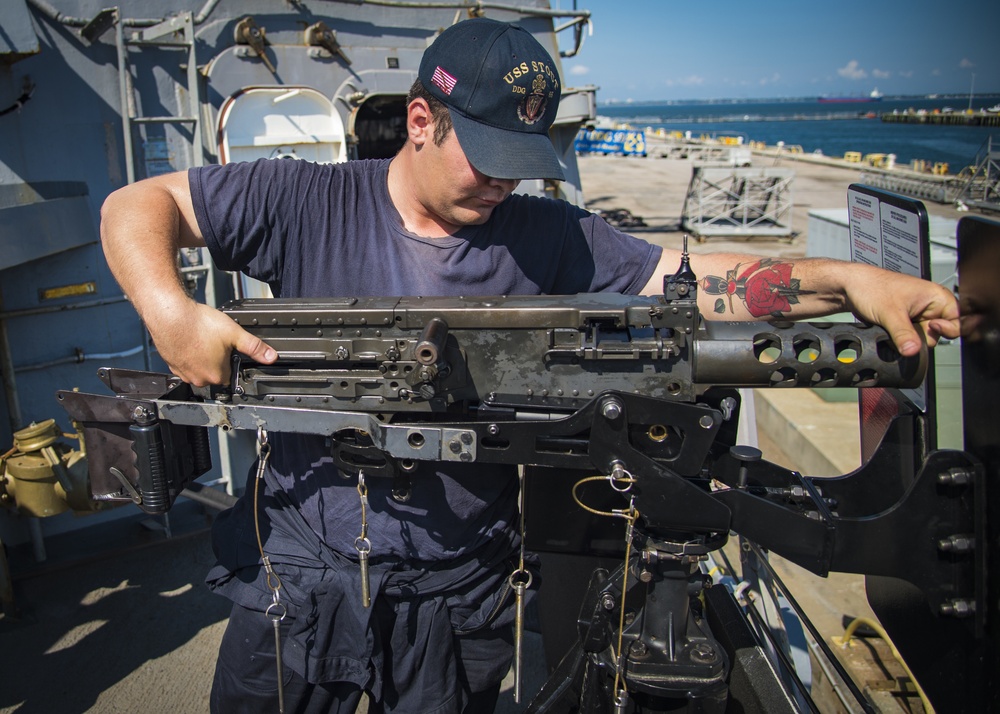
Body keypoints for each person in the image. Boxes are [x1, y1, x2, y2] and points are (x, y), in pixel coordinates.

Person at [99, 18, 959, 714]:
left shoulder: (551, 236)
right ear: (423, 121)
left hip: (460, 590)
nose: (506, 185)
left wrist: (849, 280)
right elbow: (138, 205)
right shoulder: (303, 200)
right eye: (489, 159)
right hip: (299, 573)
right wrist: (169, 312)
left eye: (524, 162)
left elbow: (702, 290)